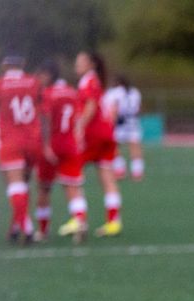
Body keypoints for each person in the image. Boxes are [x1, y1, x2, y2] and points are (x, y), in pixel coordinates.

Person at [0, 53, 43, 243]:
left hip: (11, 141)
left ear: (4, 66)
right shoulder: (34, 82)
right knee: (24, 185)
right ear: (23, 64)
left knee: (14, 184)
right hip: (33, 141)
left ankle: (27, 228)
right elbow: (42, 107)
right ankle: (15, 226)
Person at [63, 51, 123, 237]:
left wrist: (79, 127)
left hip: (92, 135)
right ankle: (113, 222)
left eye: (80, 61)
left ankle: (79, 219)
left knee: (70, 174)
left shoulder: (88, 81)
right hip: (106, 134)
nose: (76, 64)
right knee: (107, 178)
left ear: (91, 64)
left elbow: (90, 105)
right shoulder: (96, 81)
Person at [34, 60, 89, 242]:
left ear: (48, 75)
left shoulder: (47, 94)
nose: (38, 78)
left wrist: (47, 145)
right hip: (71, 143)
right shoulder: (72, 92)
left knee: (44, 188)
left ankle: (43, 230)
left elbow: (46, 120)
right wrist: (79, 138)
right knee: (73, 187)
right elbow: (79, 117)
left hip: (53, 144)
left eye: (40, 75)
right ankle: (80, 220)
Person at [104, 75, 145, 180]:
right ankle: (137, 172)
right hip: (133, 122)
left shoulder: (115, 92)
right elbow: (139, 108)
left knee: (114, 147)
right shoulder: (135, 92)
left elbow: (114, 108)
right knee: (135, 147)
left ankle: (120, 170)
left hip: (120, 122)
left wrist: (111, 121)